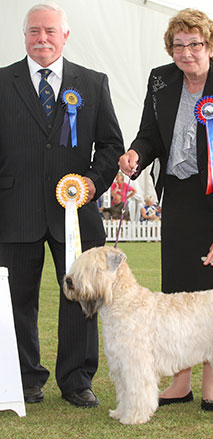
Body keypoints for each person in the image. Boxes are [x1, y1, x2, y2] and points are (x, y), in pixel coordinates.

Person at [119, 8, 213, 411]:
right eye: (178, 45)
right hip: (180, 196)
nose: (187, 52)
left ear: (210, 46)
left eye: (195, 44)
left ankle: (212, 386)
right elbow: (150, 133)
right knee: (179, 290)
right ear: (171, 49)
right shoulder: (160, 80)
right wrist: (135, 154)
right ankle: (179, 382)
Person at [0, 3, 124, 407]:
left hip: (77, 213)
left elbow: (110, 146)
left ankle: (76, 379)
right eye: (34, 31)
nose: (42, 39)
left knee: (83, 298)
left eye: (50, 32)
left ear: (65, 36)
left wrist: (91, 182)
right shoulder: (3, 82)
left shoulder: (93, 83)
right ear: (24, 36)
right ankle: (24, 377)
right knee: (18, 298)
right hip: (13, 211)